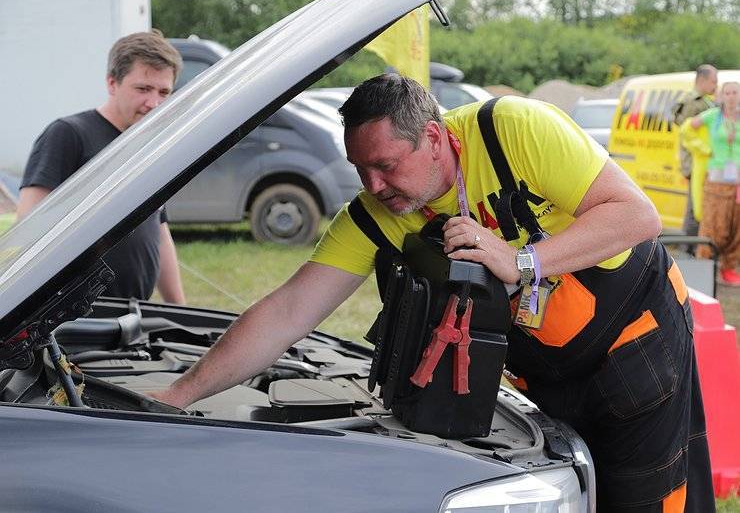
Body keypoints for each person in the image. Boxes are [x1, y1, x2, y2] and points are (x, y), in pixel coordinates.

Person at [152, 74, 714, 511]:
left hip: (635, 339)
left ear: (434, 136)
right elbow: (286, 311)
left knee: (648, 498)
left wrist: (520, 260)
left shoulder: (514, 130)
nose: (373, 186)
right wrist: (182, 392)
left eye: (386, 165)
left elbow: (636, 215)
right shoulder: (375, 214)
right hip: (545, 371)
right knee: (572, 498)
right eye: (360, 169)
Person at [17, 30, 186, 304]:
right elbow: (28, 226)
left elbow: (159, 231)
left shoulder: (150, 147)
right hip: (77, 319)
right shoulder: (68, 134)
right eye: (143, 89)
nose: (154, 103)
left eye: (163, 92)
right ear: (112, 83)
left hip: (134, 313)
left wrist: (179, 309)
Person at [688, 81, 740, 287]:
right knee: (712, 225)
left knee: (736, 227)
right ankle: (705, 267)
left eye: (735, 92)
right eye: (727, 92)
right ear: (721, 95)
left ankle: (729, 268)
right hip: (717, 179)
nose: (731, 96)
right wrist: (702, 149)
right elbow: (687, 129)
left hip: (738, 182)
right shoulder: (712, 117)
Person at [672, 65, 718, 241]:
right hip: (695, 160)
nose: (716, 85)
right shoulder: (692, 101)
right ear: (702, 80)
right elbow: (686, 132)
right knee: (694, 207)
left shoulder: (706, 100)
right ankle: (689, 246)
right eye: (713, 81)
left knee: (700, 204)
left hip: (705, 160)